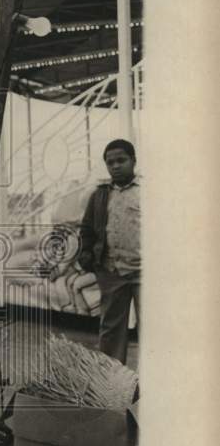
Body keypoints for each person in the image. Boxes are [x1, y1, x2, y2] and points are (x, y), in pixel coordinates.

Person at [78, 138, 141, 365]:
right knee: (111, 330)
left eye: (121, 160)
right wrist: (87, 253)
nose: (115, 166)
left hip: (145, 273)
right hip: (111, 271)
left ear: (133, 160)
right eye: (110, 162)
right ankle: (112, 384)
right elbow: (86, 228)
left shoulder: (147, 191)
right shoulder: (100, 195)